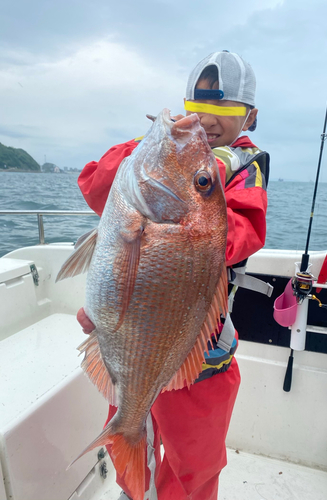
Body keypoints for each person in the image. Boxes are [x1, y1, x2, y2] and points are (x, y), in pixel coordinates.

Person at [77, 50, 269, 500]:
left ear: (251, 117)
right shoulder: (159, 161)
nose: (209, 119)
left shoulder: (247, 168)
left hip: (199, 361)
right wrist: (152, 149)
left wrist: (203, 179)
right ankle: (132, 487)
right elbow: (92, 185)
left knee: (193, 468)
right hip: (134, 349)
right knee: (130, 438)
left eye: (227, 109)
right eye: (198, 107)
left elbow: (241, 232)